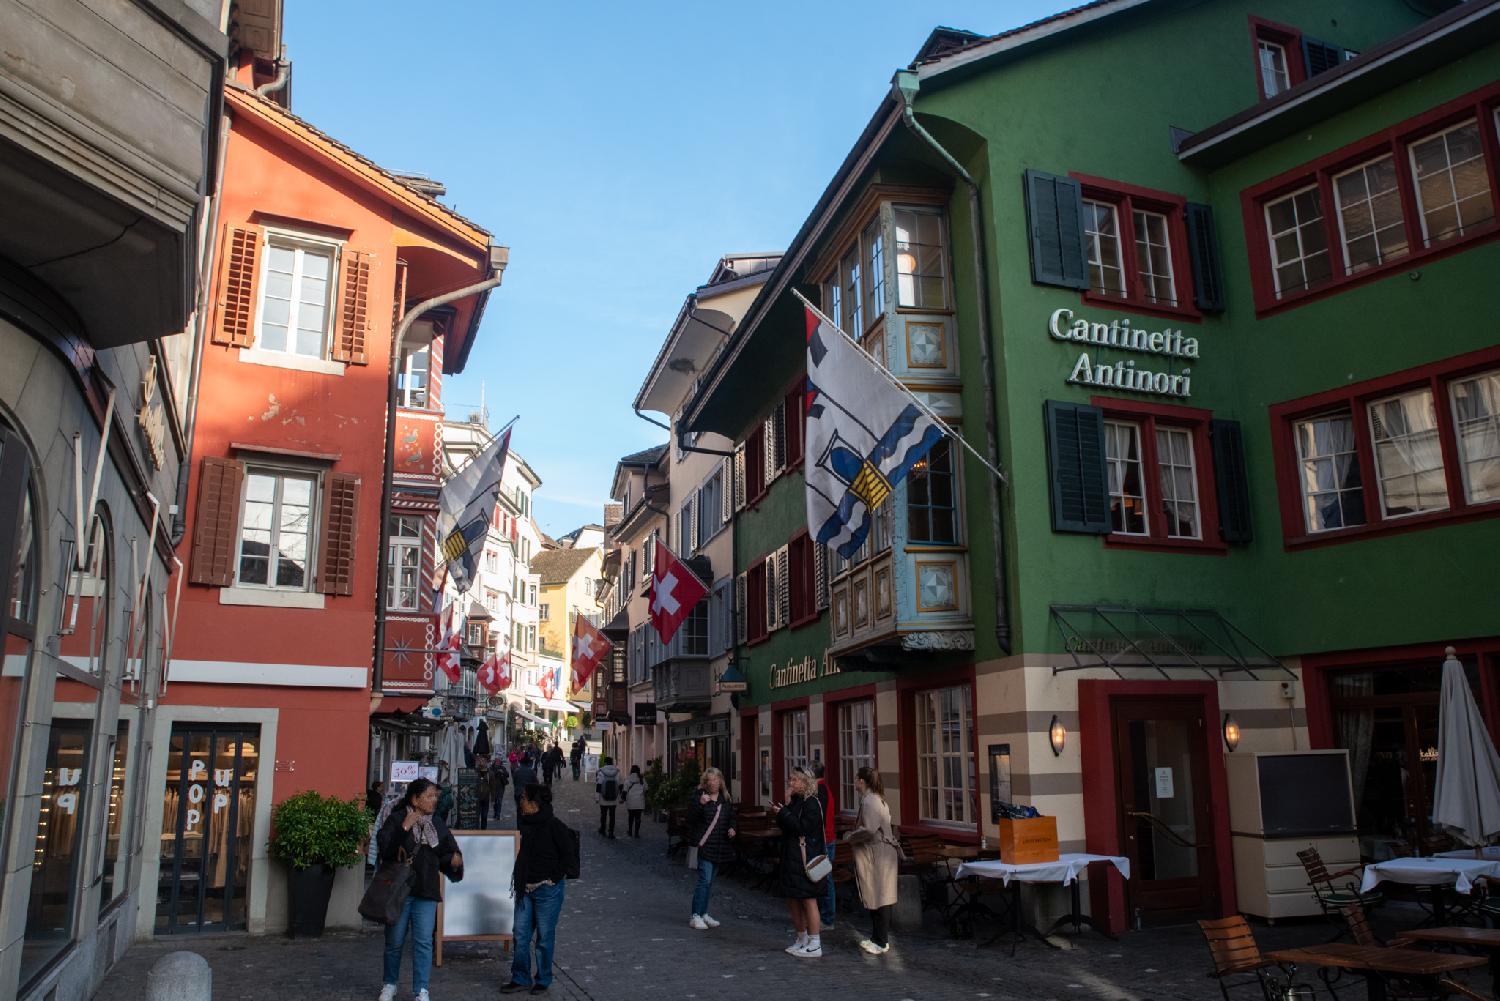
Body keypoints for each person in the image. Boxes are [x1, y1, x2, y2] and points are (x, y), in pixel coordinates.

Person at [376, 778, 463, 1001]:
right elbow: (385, 849)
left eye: (435, 796)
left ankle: (421, 989)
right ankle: (389, 984)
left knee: (424, 943)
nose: (435, 800)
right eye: (430, 796)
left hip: (426, 890)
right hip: (400, 891)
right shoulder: (396, 818)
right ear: (415, 799)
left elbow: (447, 850)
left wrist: (454, 860)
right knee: (394, 941)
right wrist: (405, 827)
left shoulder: (437, 823)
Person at [500, 784, 572, 996]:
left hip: (546, 890)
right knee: (520, 934)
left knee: (544, 936)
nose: (520, 801)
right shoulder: (527, 823)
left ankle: (543, 978)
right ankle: (520, 977)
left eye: (523, 798)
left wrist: (553, 879)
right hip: (525, 888)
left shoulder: (554, 825)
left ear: (534, 802)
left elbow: (567, 855)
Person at [771, 768, 826, 958]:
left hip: (805, 859)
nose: (790, 783)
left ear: (805, 783)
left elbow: (803, 828)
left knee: (809, 899)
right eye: (790, 779)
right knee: (793, 899)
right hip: (792, 857)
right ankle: (802, 938)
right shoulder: (796, 802)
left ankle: (815, 942)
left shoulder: (812, 803)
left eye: (794, 780)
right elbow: (788, 827)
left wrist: (784, 813)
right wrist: (783, 810)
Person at [846, 766, 900, 956]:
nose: (854, 783)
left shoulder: (870, 801)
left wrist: (852, 836)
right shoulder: (876, 799)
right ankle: (877, 937)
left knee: (880, 896)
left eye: (855, 779)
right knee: (878, 895)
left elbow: (869, 829)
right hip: (879, 852)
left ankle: (881, 940)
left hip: (878, 853)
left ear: (861, 781)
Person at [686, 767, 736, 930]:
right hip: (705, 845)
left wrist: (733, 828)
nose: (713, 783)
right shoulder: (699, 796)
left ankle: (704, 912)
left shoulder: (725, 799)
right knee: (704, 881)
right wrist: (700, 804)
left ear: (720, 781)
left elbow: (731, 817)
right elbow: (691, 819)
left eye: (716, 780)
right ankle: (696, 916)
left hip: (720, 846)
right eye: (710, 780)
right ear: (705, 782)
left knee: (710, 882)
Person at [814, 761, 837, 929]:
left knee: (825, 879)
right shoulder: (824, 789)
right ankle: (824, 916)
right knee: (822, 878)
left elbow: (818, 819)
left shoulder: (820, 790)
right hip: (828, 838)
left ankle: (828, 918)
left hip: (824, 840)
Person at [595, 755, 621, 838]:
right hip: (614, 797)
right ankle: (611, 832)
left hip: (603, 797)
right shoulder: (617, 772)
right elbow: (619, 785)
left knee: (603, 814)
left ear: (605, 763)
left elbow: (598, 786)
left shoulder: (601, 772)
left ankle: (602, 829)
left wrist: (596, 798)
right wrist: (620, 797)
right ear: (612, 763)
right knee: (612, 815)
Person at [621, 764, 647, 838]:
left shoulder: (628, 779)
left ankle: (630, 831)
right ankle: (636, 833)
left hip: (631, 801)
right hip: (640, 801)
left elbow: (625, 791)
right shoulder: (642, 779)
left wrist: (622, 799)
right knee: (638, 817)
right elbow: (646, 789)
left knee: (631, 817)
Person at [490, 757, 510, 823]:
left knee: (500, 801)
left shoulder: (502, 768)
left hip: (501, 787)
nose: (497, 763)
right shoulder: (491, 768)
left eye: (499, 762)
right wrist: (496, 773)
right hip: (493, 787)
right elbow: (489, 776)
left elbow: (507, 775)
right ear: (494, 762)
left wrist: (503, 772)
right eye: (496, 762)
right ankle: (495, 813)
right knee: (495, 801)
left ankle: (498, 814)